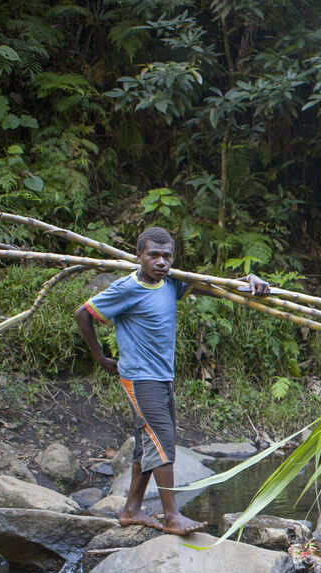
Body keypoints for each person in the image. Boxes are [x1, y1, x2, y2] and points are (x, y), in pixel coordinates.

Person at [76, 226, 269, 534]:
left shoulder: (170, 283)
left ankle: (131, 510)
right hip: (140, 377)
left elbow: (212, 287)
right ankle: (172, 516)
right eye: (153, 255)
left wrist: (248, 282)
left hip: (162, 376)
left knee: (147, 445)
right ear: (139, 256)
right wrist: (99, 357)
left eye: (167, 256)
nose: (161, 262)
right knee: (163, 440)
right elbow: (84, 313)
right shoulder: (127, 288)